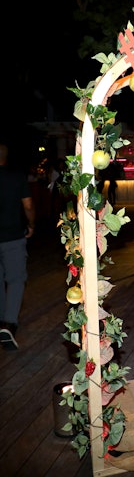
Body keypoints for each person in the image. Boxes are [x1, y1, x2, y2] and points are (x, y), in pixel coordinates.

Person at [0, 144, 35, 350]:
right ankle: (9, 323)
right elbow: (28, 205)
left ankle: (1, 320)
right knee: (15, 279)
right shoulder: (16, 176)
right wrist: (31, 224)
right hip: (13, 236)